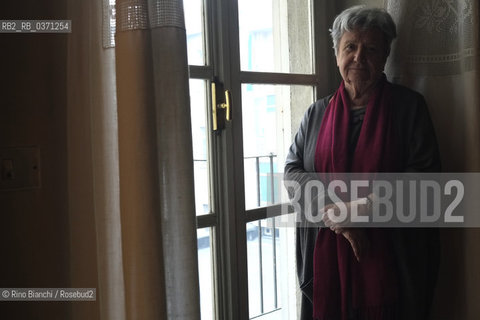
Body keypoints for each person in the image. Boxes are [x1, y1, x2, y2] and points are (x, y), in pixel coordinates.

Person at [284, 5, 441, 320]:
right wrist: (340, 221)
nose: (359, 57)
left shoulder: (409, 108)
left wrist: (360, 210)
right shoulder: (315, 113)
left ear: (385, 56)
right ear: (337, 54)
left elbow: (426, 183)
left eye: (370, 48)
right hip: (324, 263)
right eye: (350, 47)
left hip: (393, 265)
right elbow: (292, 172)